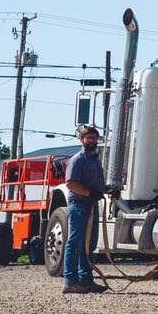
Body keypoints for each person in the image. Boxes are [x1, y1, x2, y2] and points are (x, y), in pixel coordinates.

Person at [62, 124, 108, 295]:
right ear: (82, 140)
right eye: (89, 138)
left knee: (89, 244)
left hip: (91, 205)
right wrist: (89, 193)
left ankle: (86, 280)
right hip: (79, 205)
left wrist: (105, 190)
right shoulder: (78, 159)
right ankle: (70, 281)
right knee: (75, 243)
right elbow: (71, 183)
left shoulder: (95, 159)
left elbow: (95, 184)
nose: (92, 141)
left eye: (95, 138)